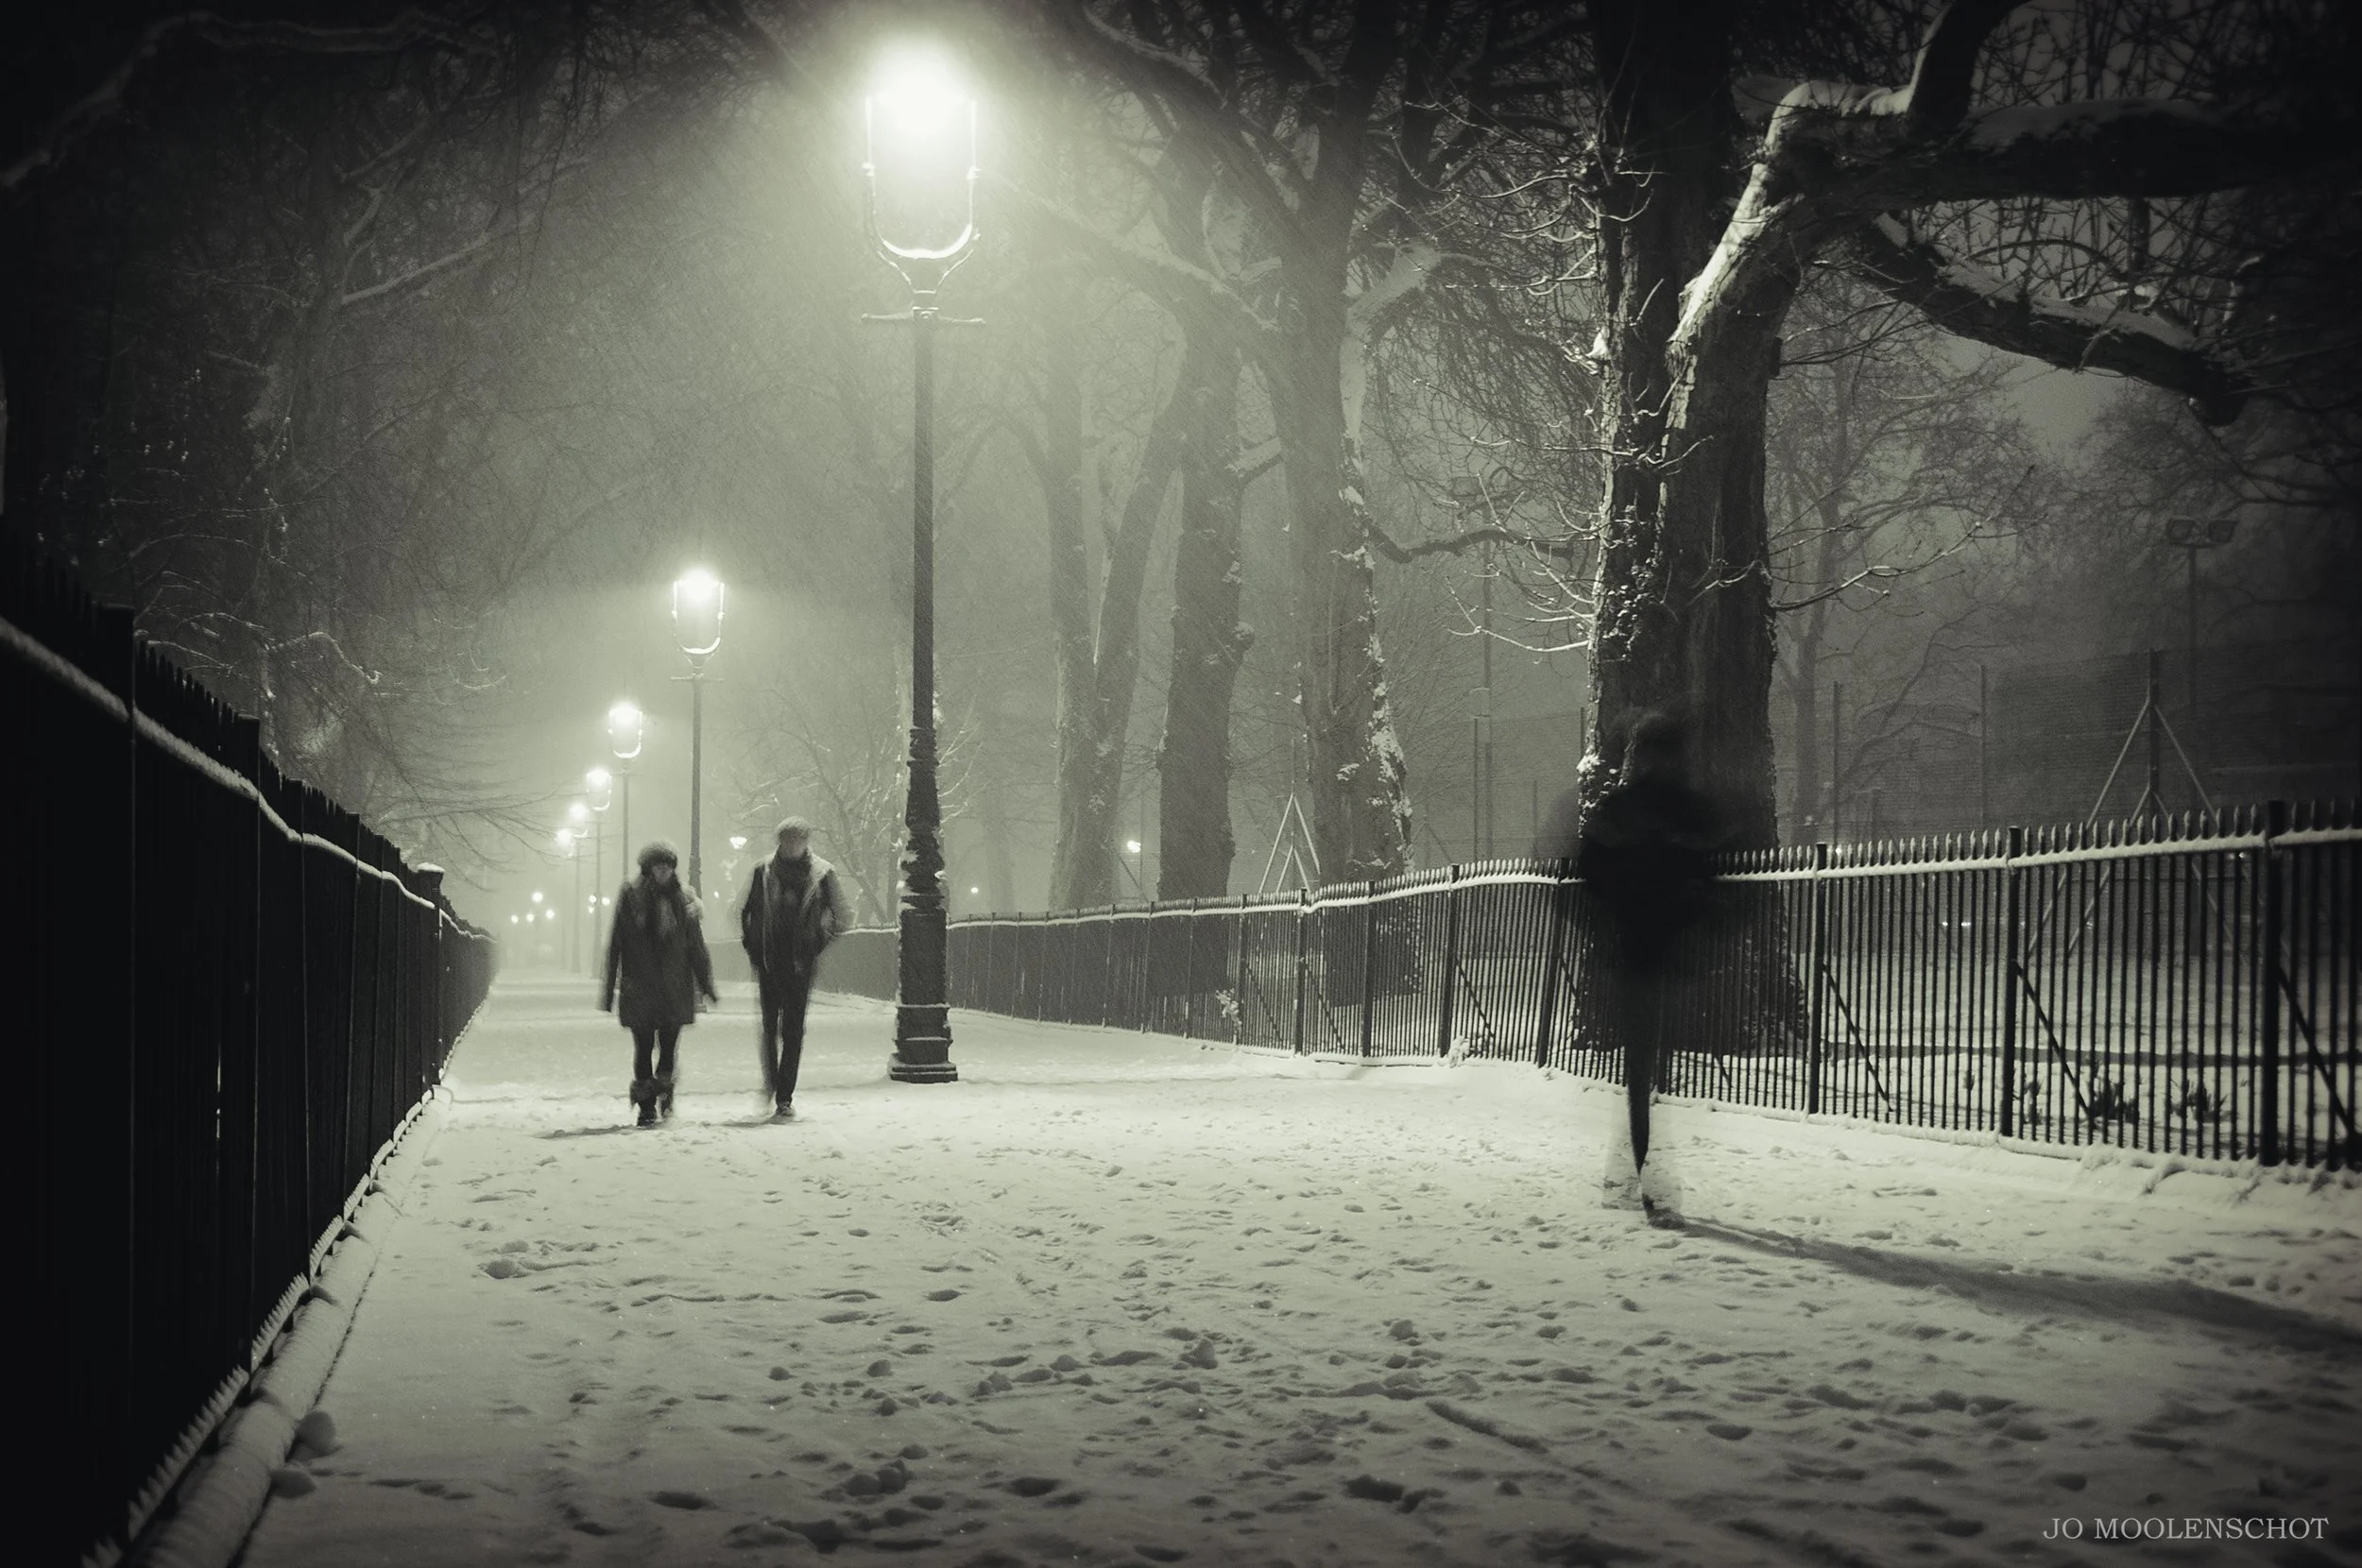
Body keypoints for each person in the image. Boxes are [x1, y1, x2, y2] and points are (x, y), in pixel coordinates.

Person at [1537, 713, 1722, 1225]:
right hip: (1677, 956)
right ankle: (1643, 1176)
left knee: (1641, 1074)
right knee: (1654, 1073)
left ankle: (1634, 1173)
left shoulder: (1619, 811)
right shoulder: (1691, 811)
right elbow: (1716, 877)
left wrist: (1603, 930)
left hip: (1634, 954)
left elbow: (1582, 884)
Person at [739, 817, 853, 1121]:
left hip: (800, 964)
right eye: (787, 840)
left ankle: (784, 1095)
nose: (792, 845)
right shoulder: (762, 872)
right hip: (769, 962)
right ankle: (772, 1082)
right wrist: (753, 947)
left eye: (797, 840)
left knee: (792, 1031)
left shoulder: (822, 874)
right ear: (780, 842)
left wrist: (817, 943)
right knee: (768, 1028)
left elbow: (843, 915)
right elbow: (746, 913)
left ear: (806, 842)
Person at [601, 841, 718, 1127]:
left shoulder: (683, 901)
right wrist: (607, 990)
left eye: (668, 866)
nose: (664, 871)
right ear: (648, 869)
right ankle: (646, 1106)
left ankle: (665, 1095)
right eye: (658, 866)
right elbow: (616, 942)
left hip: (673, 989)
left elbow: (695, 947)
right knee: (642, 1049)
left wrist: (706, 984)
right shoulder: (631, 898)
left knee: (668, 1049)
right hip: (639, 986)